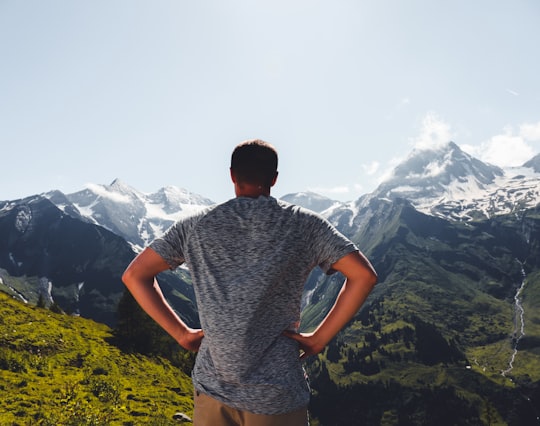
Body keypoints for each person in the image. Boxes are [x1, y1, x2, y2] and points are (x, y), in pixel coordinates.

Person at [122, 139, 377, 426]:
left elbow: (134, 275)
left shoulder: (194, 226)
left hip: (212, 391)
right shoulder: (306, 224)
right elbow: (363, 276)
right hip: (277, 394)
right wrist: (319, 339)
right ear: (274, 178)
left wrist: (181, 334)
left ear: (232, 175)